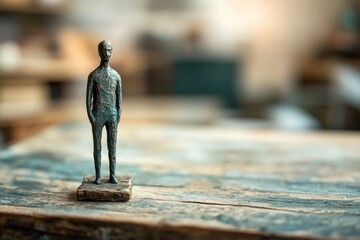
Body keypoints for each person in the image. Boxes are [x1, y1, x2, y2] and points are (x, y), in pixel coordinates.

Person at [86, 40, 122, 184]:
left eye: (109, 50)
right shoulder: (93, 76)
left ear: (112, 52)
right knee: (97, 148)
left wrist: (118, 115)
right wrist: (91, 115)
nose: (107, 53)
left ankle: (112, 175)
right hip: (98, 115)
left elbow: (119, 99)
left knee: (112, 147)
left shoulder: (116, 76)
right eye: (104, 50)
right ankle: (98, 176)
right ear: (99, 52)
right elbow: (88, 99)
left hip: (112, 115)